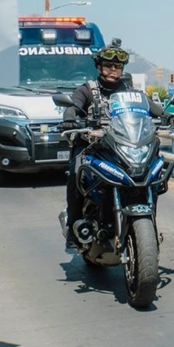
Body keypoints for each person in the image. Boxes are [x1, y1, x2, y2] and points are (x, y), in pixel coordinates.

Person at [61, 38, 131, 249]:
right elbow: (73, 106)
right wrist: (70, 116)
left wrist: (166, 116)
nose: (113, 69)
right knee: (76, 172)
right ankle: (73, 228)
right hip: (91, 146)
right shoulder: (87, 90)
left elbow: (149, 107)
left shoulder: (128, 92)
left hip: (121, 147)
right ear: (99, 66)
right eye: (109, 65)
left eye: (117, 66)